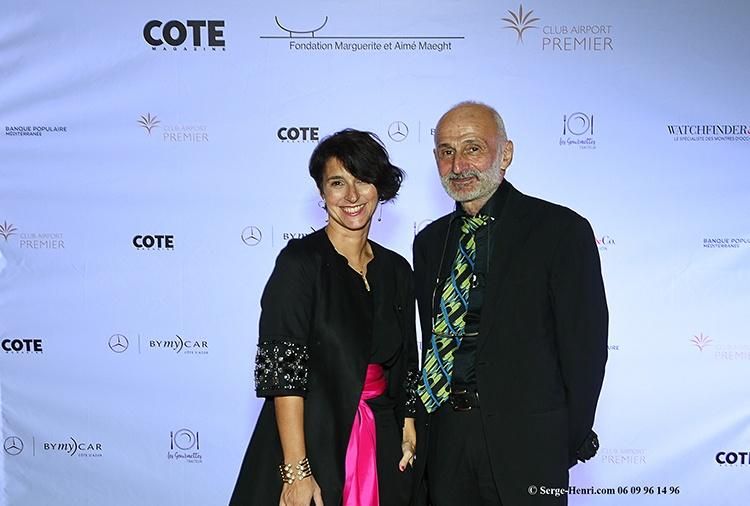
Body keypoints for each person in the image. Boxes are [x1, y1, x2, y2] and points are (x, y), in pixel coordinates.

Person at [411, 102, 608, 506]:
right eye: (446, 151)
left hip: (529, 447)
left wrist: (559, 443)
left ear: (506, 154)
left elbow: (585, 351)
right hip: (445, 444)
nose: (458, 165)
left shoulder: (560, 230)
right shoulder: (429, 242)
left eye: (473, 148)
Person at [230, 129, 419, 506]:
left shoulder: (396, 269)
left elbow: (407, 360)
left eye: (362, 180)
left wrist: (409, 425)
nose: (352, 196)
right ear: (322, 192)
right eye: (337, 183)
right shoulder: (300, 263)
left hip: (382, 442)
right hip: (312, 440)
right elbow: (282, 372)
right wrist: (296, 471)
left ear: (379, 188)